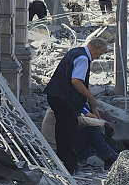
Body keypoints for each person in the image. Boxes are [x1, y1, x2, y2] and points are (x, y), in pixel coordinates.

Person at [44, 37, 111, 174]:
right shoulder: (83, 58)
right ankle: (69, 167)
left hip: (56, 96)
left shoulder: (76, 52)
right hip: (64, 99)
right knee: (67, 134)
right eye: (100, 54)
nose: (98, 57)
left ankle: (66, 165)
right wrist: (90, 97)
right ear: (96, 48)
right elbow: (76, 81)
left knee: (63, 131)